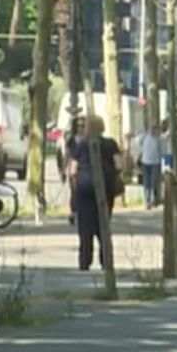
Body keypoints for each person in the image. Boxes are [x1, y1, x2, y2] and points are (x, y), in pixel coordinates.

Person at [68, 115, 122, 271]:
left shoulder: (81, 146)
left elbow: (72, 170)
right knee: (103, 225)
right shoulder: (110, 144)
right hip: (105, 187)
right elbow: (119, 165)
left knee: (85, 227)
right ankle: (106, 261)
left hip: (84, 187)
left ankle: (85, 261)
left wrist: (73, 184)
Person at [138, 123, 164, 209]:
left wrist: (162, 161)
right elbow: (138, 141)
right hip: (145, 162)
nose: (153, 130)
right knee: (146, 182)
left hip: (155, 162)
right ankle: (147, 200)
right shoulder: (145, 136)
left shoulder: (159, 139)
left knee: (153, 182)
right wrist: (144, 132)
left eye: (155, 129)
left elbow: (162, 150)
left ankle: (152, 199)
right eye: (152, 128)